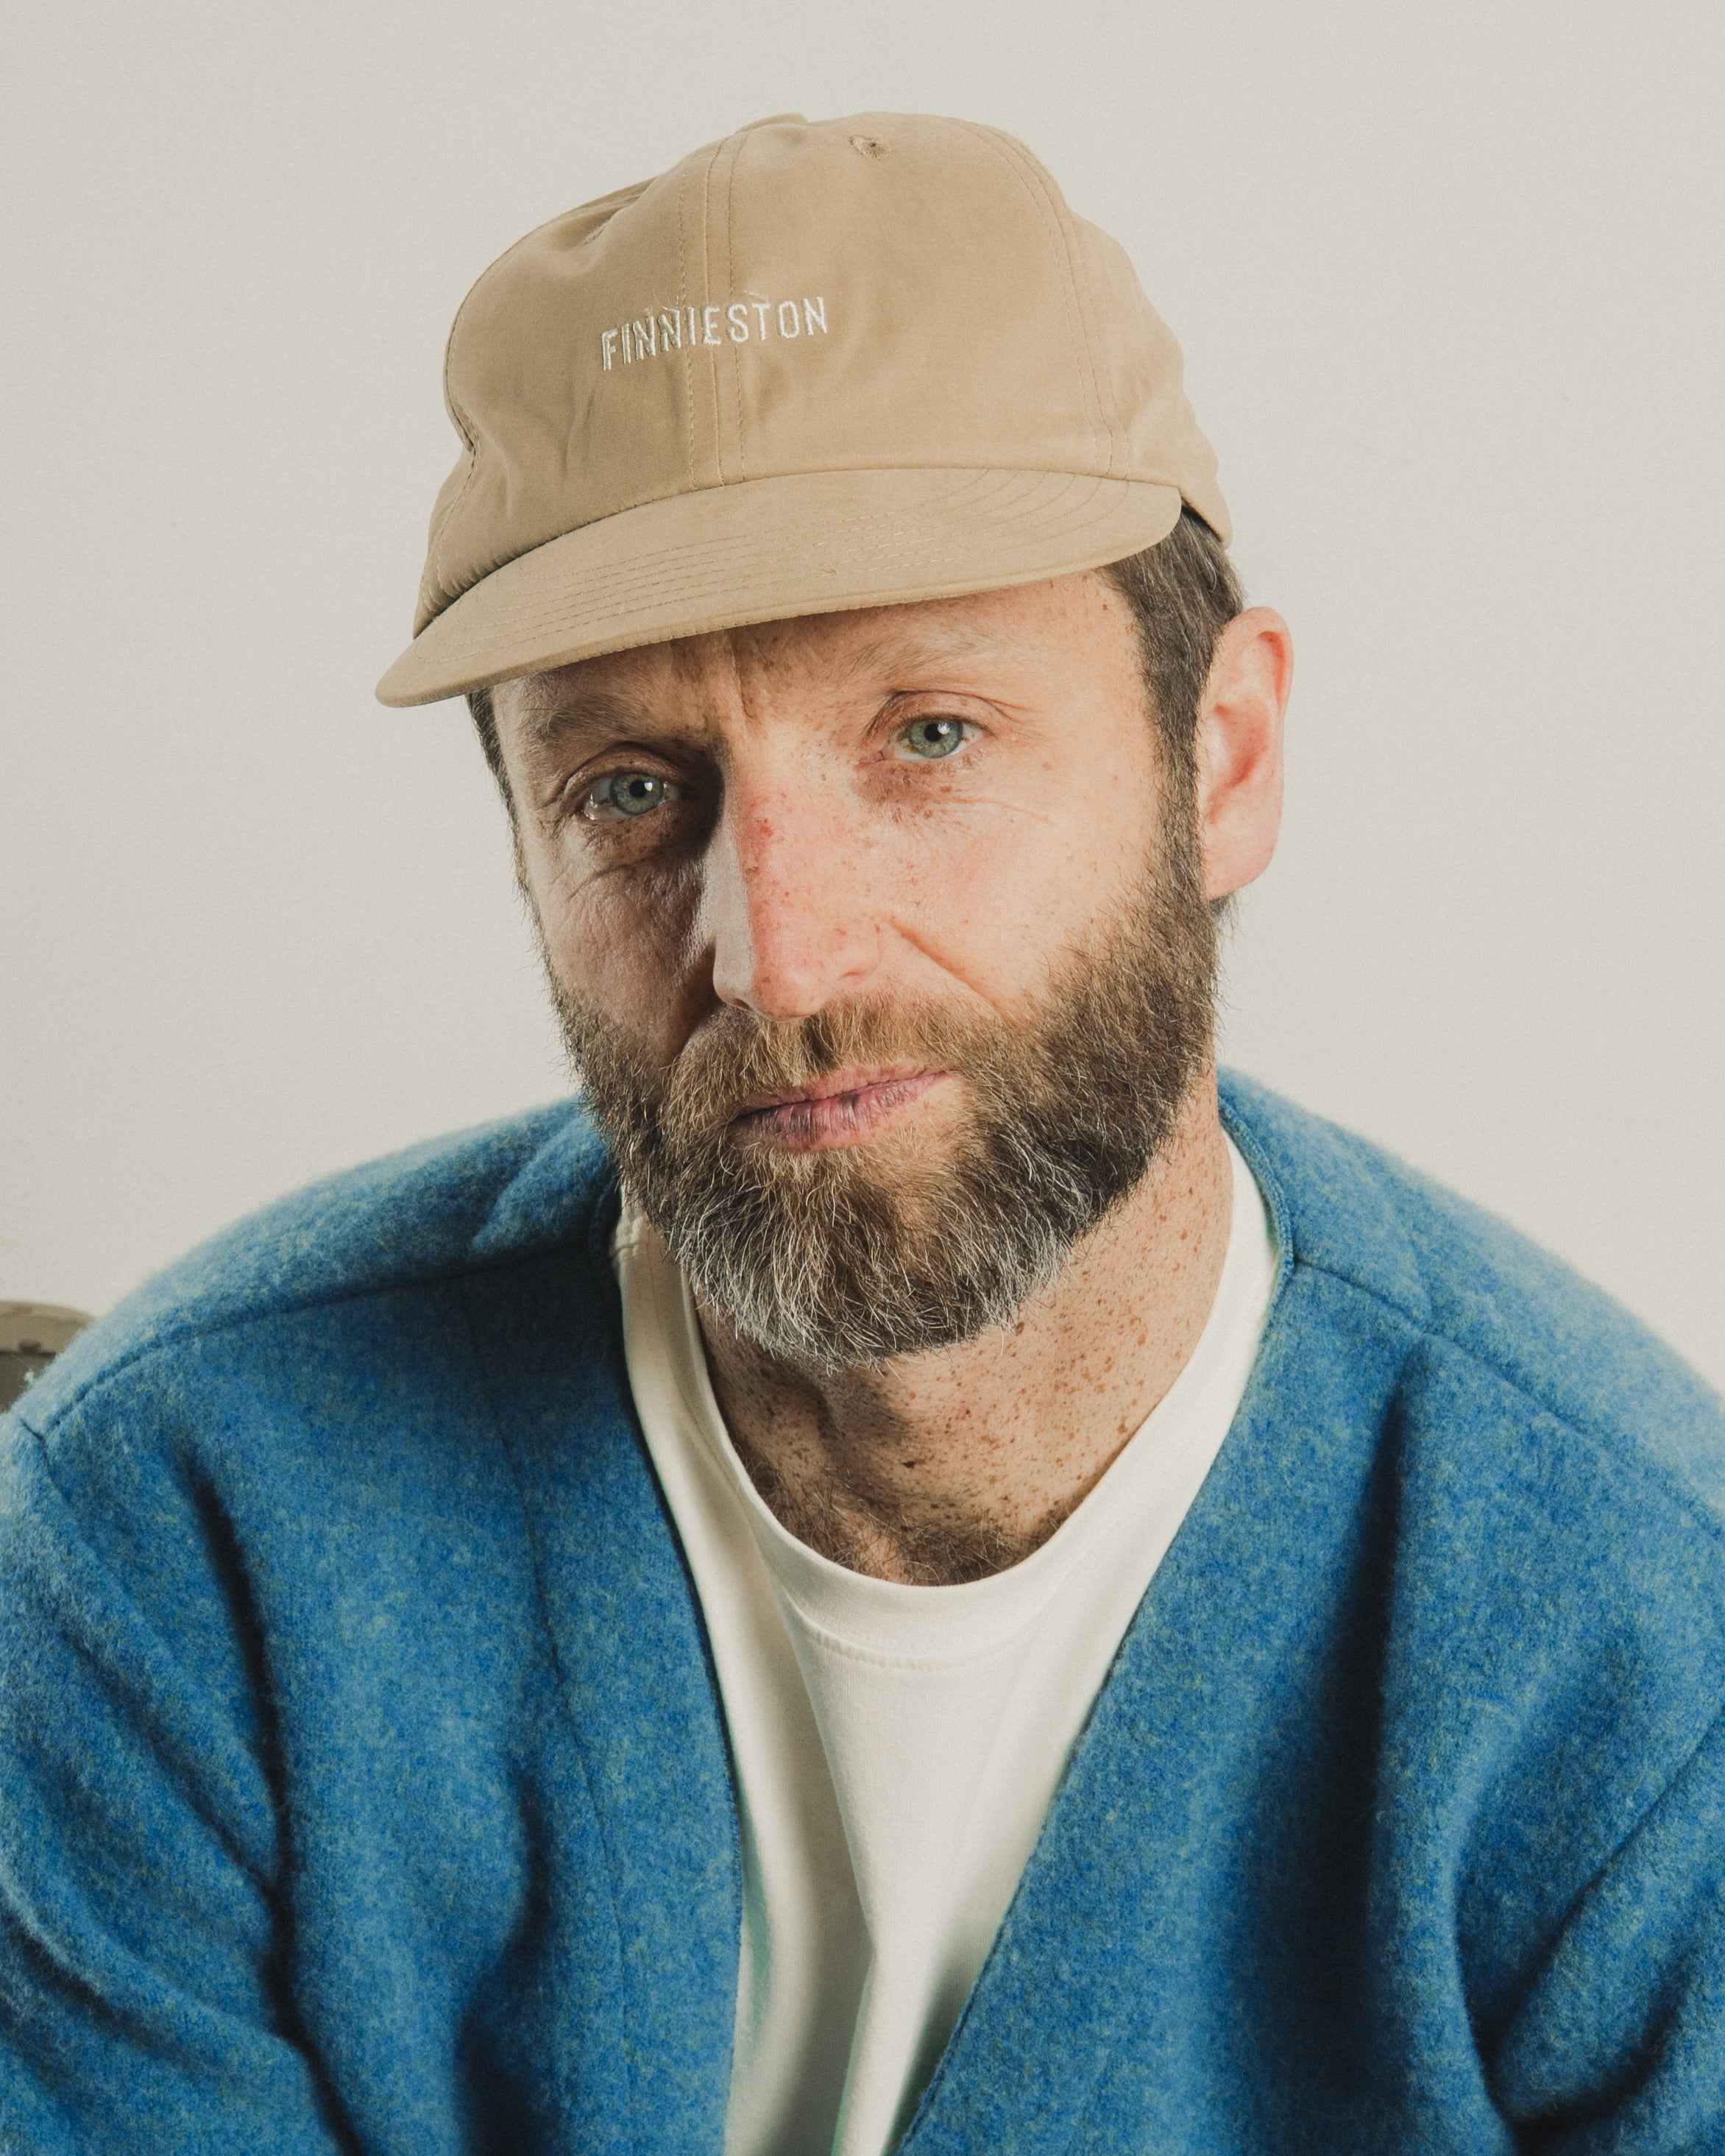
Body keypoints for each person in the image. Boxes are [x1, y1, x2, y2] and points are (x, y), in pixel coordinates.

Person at [3, 109, 1722, 2156]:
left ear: (1224, 757)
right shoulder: (173, 1542)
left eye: (930, 736)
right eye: (633, 790)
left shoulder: (1636, 1659)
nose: (780, 953)